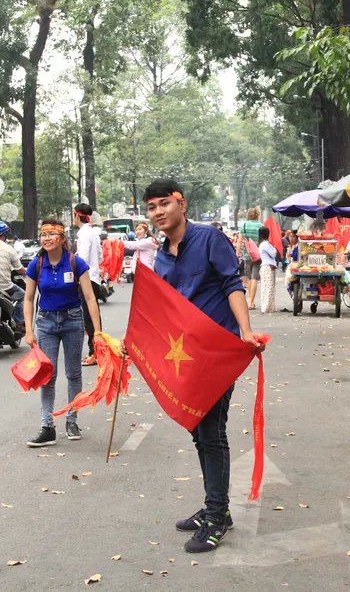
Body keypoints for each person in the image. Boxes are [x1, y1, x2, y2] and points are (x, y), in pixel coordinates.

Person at [145, 178, 264, 554]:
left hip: (215, 353)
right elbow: (161, 311)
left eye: (164, 203)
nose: (158, 212)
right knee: (199, 431)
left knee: (212, 433)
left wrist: (245, 330)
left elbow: (233, 284)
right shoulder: (161, 255)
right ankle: (215, 506)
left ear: (182, 203)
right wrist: (138, 345)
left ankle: (217, 515)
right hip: (185, 359)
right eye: (151, 207)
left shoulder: (210, 240)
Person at [23, 218, 103, 447]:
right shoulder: (36, 264)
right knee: (48, 375)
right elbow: (28, 299)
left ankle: (72, 419)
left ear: (62, 238)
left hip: (72, 321)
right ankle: (47, 426)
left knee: (74, 373)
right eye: (43, 234)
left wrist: (96, 331)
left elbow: (90, 298)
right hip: (46, 322)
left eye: (51, 234)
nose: (46, 238)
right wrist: (29, 330)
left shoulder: (75, 263)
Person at [73, 203, 103, 366]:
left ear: (77, 215)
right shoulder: (92, 232)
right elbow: (100, 257)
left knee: (89, 318)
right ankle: (97, 351)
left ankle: (95, 352)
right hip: (94, 277)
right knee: (92, 316)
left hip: (86, 279)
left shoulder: (84, 233)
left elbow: (82, 259)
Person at [237, 207, 264, 310]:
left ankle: (250, 299)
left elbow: (239, 241)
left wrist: (237, 254)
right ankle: (251, 302)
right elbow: (264, 242)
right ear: (258, 215)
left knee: (248, 278)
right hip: (258, 256)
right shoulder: (261, 226)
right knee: (254, 279)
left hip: (247, 256)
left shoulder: (244, 226)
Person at [257, 226, 279, 313]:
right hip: (268, 267)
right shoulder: (265, 244)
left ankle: (269, 307)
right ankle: (267, 307)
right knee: (268, 288)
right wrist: (275, 249)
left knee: (267, 287)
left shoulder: (263, 244)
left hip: (266, 266)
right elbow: (273, 254)